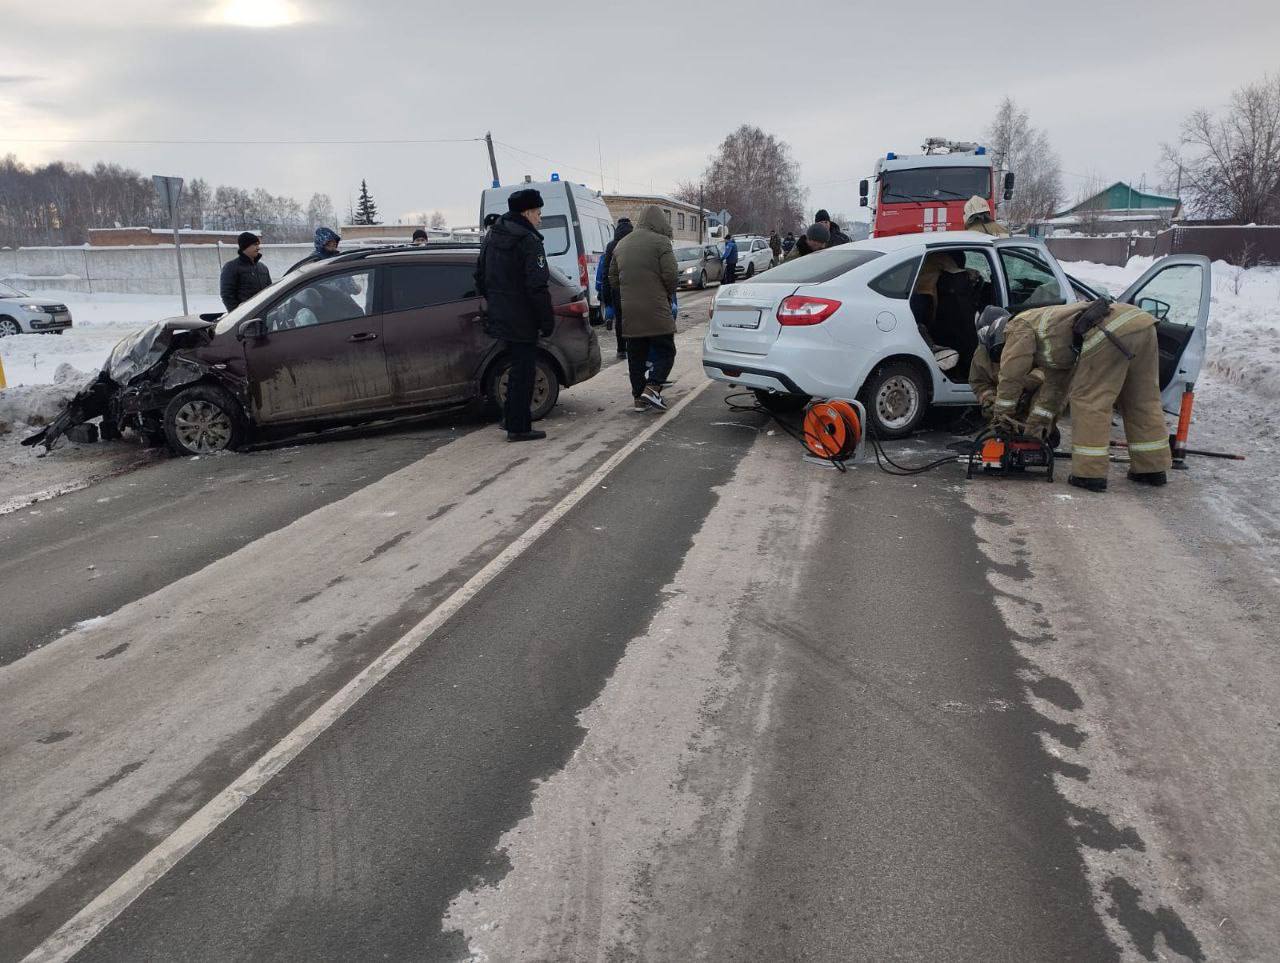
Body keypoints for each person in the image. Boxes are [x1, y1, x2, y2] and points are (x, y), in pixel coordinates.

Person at [1062, 300, 1171, 492]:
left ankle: (1090, 474)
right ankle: (1151, 469)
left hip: (1112, 332)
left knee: (1090, 399)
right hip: (1144, 325)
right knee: (1143, 398)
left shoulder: (1031, 325)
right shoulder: (1067, 308)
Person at [474, 188, 555, 442]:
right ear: (527, 212)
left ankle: (510, 418)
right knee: (525, 371)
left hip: (501, 315)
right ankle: (519, 427)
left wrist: (497, 303)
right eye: (538, 213)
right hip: (524, 316)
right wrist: (546, 319)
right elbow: (537, 285)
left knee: (514, 367)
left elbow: (480, 276)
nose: (540, 219)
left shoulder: (492, 236)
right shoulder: (529, 241)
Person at [608, 204, 678, 412]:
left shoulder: (621, 244)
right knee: (667, 351)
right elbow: (671, 276)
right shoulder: (661, 242)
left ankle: (639, 398)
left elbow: (612, 277)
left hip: (630, 312)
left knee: (636, 356)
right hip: (656, 308)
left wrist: (627, 293)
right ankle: (652, 388)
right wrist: (666, 293)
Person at [598, 217, 633, 359]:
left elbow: (606, 271)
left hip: (617, 288)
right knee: (633, 318)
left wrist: (606, 294)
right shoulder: (634, 244)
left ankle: (621, 349)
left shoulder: (611, 246)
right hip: (633, 287)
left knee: (620, 319)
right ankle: (633, 346)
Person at [219, 231, 272, 312]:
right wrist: (238, 314)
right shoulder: (231, 267)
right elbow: (227, 295)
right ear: (245, 246)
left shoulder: (263, 267)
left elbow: (270, 291)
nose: (258, 248)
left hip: (264, 315)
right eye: (255, 244)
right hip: (245, 318)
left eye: (258, 244)